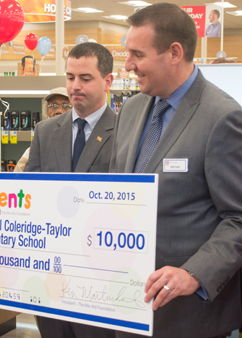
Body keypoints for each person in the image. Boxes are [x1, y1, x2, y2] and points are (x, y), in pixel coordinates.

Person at [109, 3, 242, 338]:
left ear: (174, 52)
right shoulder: (132, 109)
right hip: (127, 306)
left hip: (188, 318)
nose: (128, 66)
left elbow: (238, 219)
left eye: (137, 54)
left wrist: (193, 273)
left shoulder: (222, 117)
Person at [25, 42, 116, 338]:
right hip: (52, 275)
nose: (74, 86)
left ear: (108, 81)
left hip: (101, 276)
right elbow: (32, 196)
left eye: (85, 78)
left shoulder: (128, 132)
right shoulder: (46, 131)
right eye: (69, 77)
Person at [14, 87, 71, 172]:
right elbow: (19, 176)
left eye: (65, 106)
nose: (58, 111)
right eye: (53, 106)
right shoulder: (37, 148)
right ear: (47, 111)